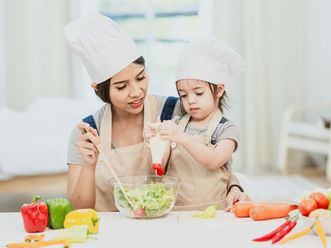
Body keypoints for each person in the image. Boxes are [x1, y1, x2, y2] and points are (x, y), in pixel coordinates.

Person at [64, 14, 249, 211]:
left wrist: (235, 186)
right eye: (121, 87)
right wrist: (88, 164)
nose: (136, 92)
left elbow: (212, 163)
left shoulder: (176, 111)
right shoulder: (87, 134)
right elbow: (77, 210)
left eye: (141, 77)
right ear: (98, 89)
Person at [153, 37, 247, 210]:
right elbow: (160, 164)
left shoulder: (226, 129)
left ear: (219, 90)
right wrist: (155, 139)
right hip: (174, 211)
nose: (190, 101)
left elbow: (214, 161)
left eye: (198, 93)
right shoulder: (176, 124)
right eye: (183, 95)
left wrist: (181, 137)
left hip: (214, 212)